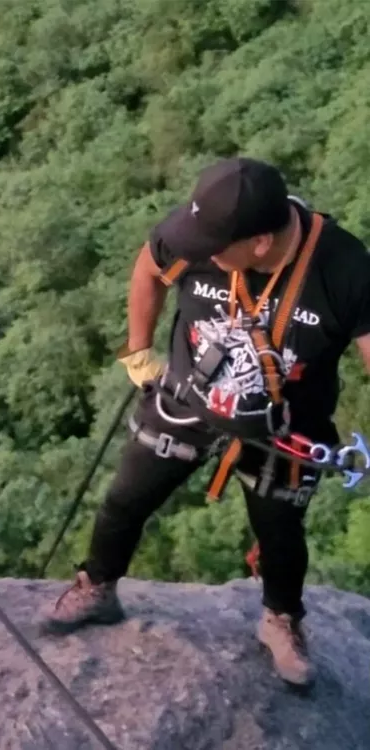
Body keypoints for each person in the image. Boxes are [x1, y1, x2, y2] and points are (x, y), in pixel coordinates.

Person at [42, 157, 370, 688]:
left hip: (284, 425)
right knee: (127, 498)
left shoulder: (344, 268)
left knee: (279, 529)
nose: (200, 252)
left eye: (215, 246)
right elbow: (149, 266)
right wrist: (138, 350)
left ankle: (281, 619)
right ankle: (96, 583)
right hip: (190, 395)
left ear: (260, 242)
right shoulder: (200, 231)